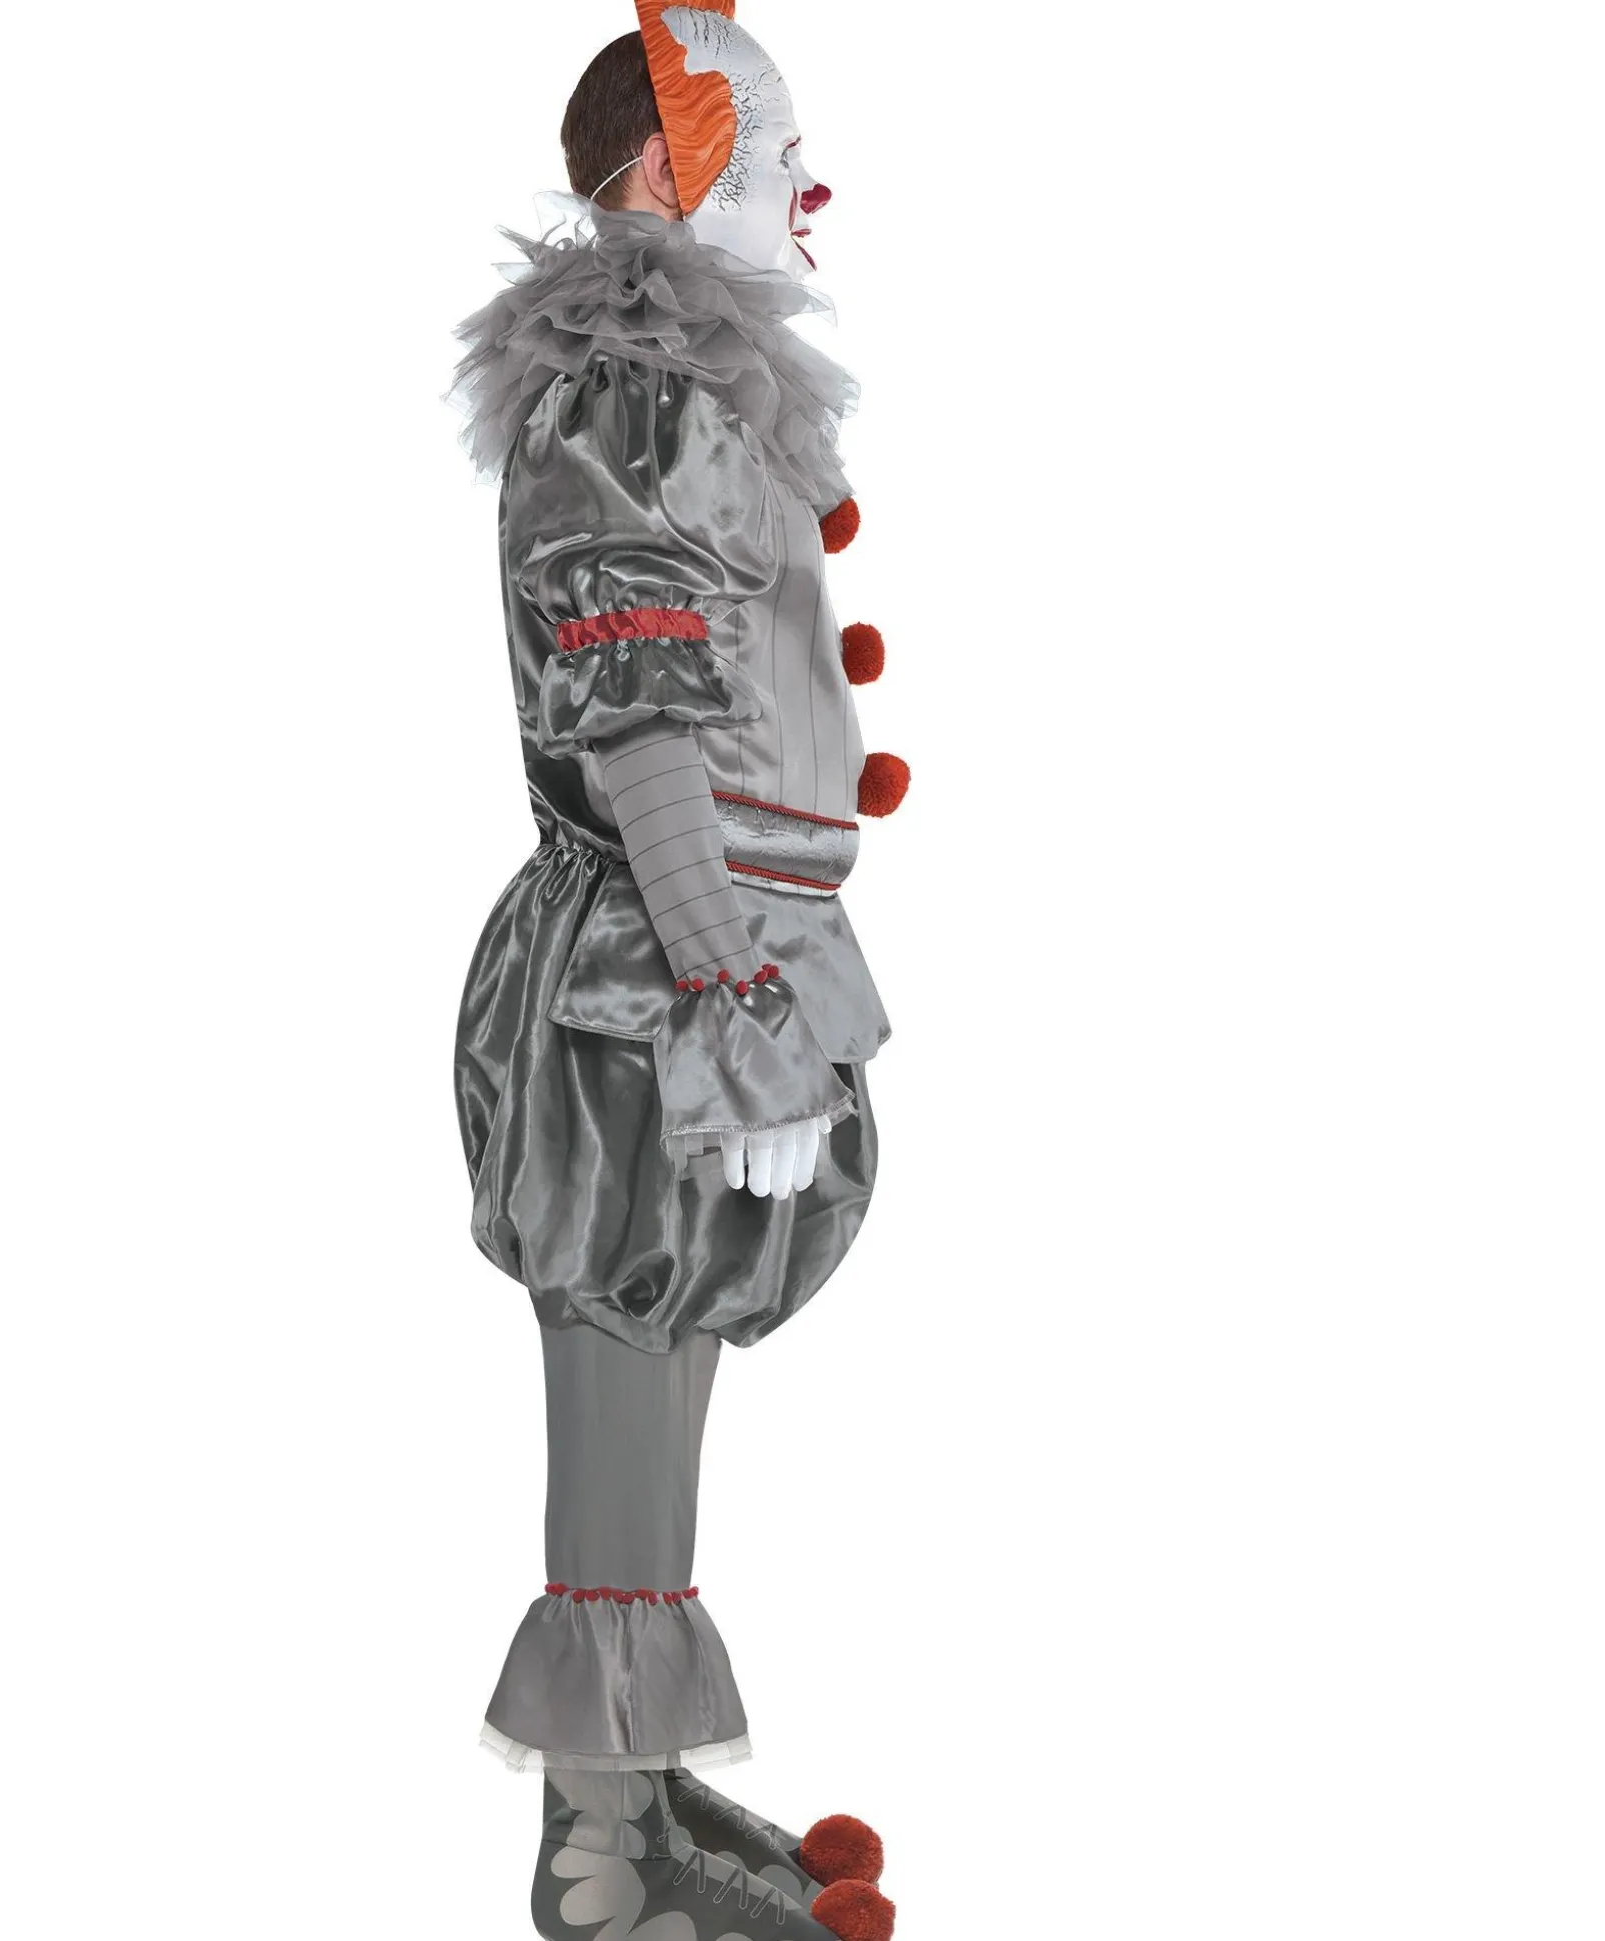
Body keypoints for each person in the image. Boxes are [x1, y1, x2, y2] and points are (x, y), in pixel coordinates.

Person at [451, 8, 909, 1936]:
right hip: (652, 977)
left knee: (672, 1337)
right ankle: (599, 1859)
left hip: (703, 956)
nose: (806, 185)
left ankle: (633, 1781)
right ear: (664, 168)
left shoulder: (683, 390)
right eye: (773, 149)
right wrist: (733, 993)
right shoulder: (631, 395)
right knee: (629, 1351)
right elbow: (636, 719)